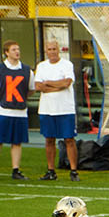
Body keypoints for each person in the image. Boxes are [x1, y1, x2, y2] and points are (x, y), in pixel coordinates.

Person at [0, 40, 32, 182]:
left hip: (19, 111)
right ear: (6, 52)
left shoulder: (26, 69)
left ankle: (16, 169)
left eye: (18, 49)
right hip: (3, 112)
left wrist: (20, 99)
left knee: (17, 141)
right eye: (13, 49)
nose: (17, 52)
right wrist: (0, 98)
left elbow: (31, 89)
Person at [34, 40, 79, 183]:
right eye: (49, 49)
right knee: (49, 139)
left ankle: (73, 171)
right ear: (46, 51)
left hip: (65, 108)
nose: (52, 51)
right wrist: (56, 85)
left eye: (54, 49)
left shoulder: (67, 64)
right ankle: (51, 170)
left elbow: (66, 83)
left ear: (59, 50)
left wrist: (48, 83)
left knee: (69, 139)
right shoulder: (41, 66)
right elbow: (38, 86)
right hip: (47, 109)